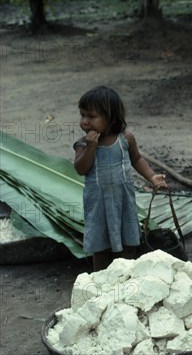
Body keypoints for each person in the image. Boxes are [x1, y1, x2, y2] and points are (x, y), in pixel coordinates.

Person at [73, 86, 167, 271]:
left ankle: (127, 278)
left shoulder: (125, 138)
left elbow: (137, 159)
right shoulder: (83, 143)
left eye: (91, 117)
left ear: (110, 117)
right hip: (98, 203)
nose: (84, 122)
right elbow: (81, 169)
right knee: (100, 246)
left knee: (128, 243)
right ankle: (99, 280)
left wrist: (152, 177)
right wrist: (91, 148)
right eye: (82, 115)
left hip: (123, 200)